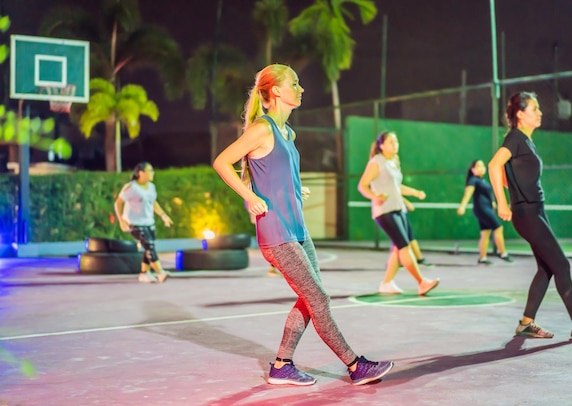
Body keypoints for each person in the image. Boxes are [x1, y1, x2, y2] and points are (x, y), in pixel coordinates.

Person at [212, 64, 394, 386]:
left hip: (298, 230)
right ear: (277, 91)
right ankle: (355, 365)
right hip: (277, 233)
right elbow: (221, 162)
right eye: (294, 83)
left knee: (311, 299)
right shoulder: (262, 129)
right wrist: (249, 196)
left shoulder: (288, 133)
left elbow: (275, 173)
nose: (301, 88)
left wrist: (295, 189)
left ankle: (282, 365)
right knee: (319, 299)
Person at [488, 92, 572, 340]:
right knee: (561, 264)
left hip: (536, 212)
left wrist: (510, 187)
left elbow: (508, 172)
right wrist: (503, 202)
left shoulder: (525, 141)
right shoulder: (515, 138)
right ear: (521, 114)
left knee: (547, 268)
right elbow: (493, 165)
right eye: (534, 109)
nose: (540, 113)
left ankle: (526, 323)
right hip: (527, 213)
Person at [357, 131, 440, 295]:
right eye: (391, 142)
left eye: (396, 141)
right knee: (404, 247)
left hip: (398, 209)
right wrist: (376, 196)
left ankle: (387, 283)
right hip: (384, 211)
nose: (395, 145)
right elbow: (362, 186)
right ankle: (421, 282)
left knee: (397, 248)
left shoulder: (394, 161)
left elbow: (396, 187)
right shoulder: (376, 163)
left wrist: (414, 193)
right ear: (381, 145)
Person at [114, 162, 173, 284]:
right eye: (149, 170)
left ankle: (144, 273)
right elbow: (118, 203)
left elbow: (153, 203)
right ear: (141, 173)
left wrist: (163, 216)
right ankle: (160, 272)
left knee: (148, 247)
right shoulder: (131, 187)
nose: (153, 173)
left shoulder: (151, 187)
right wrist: (121, 220)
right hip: (134, 223)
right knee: (149, 245)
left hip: (148, 222)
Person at [457, 159, 513, 265]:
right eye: (478, 166)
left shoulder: (482, 181)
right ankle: (503, 253)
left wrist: (492, 202)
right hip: (482, 209)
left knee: (485, 233)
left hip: (486, 208)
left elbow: (486, 194)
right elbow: (468, 194)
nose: (481, 168)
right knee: (498, 228)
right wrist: (462, 206)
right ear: (472, 170)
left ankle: (482, 258)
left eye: (483, 166)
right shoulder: (473, 180)